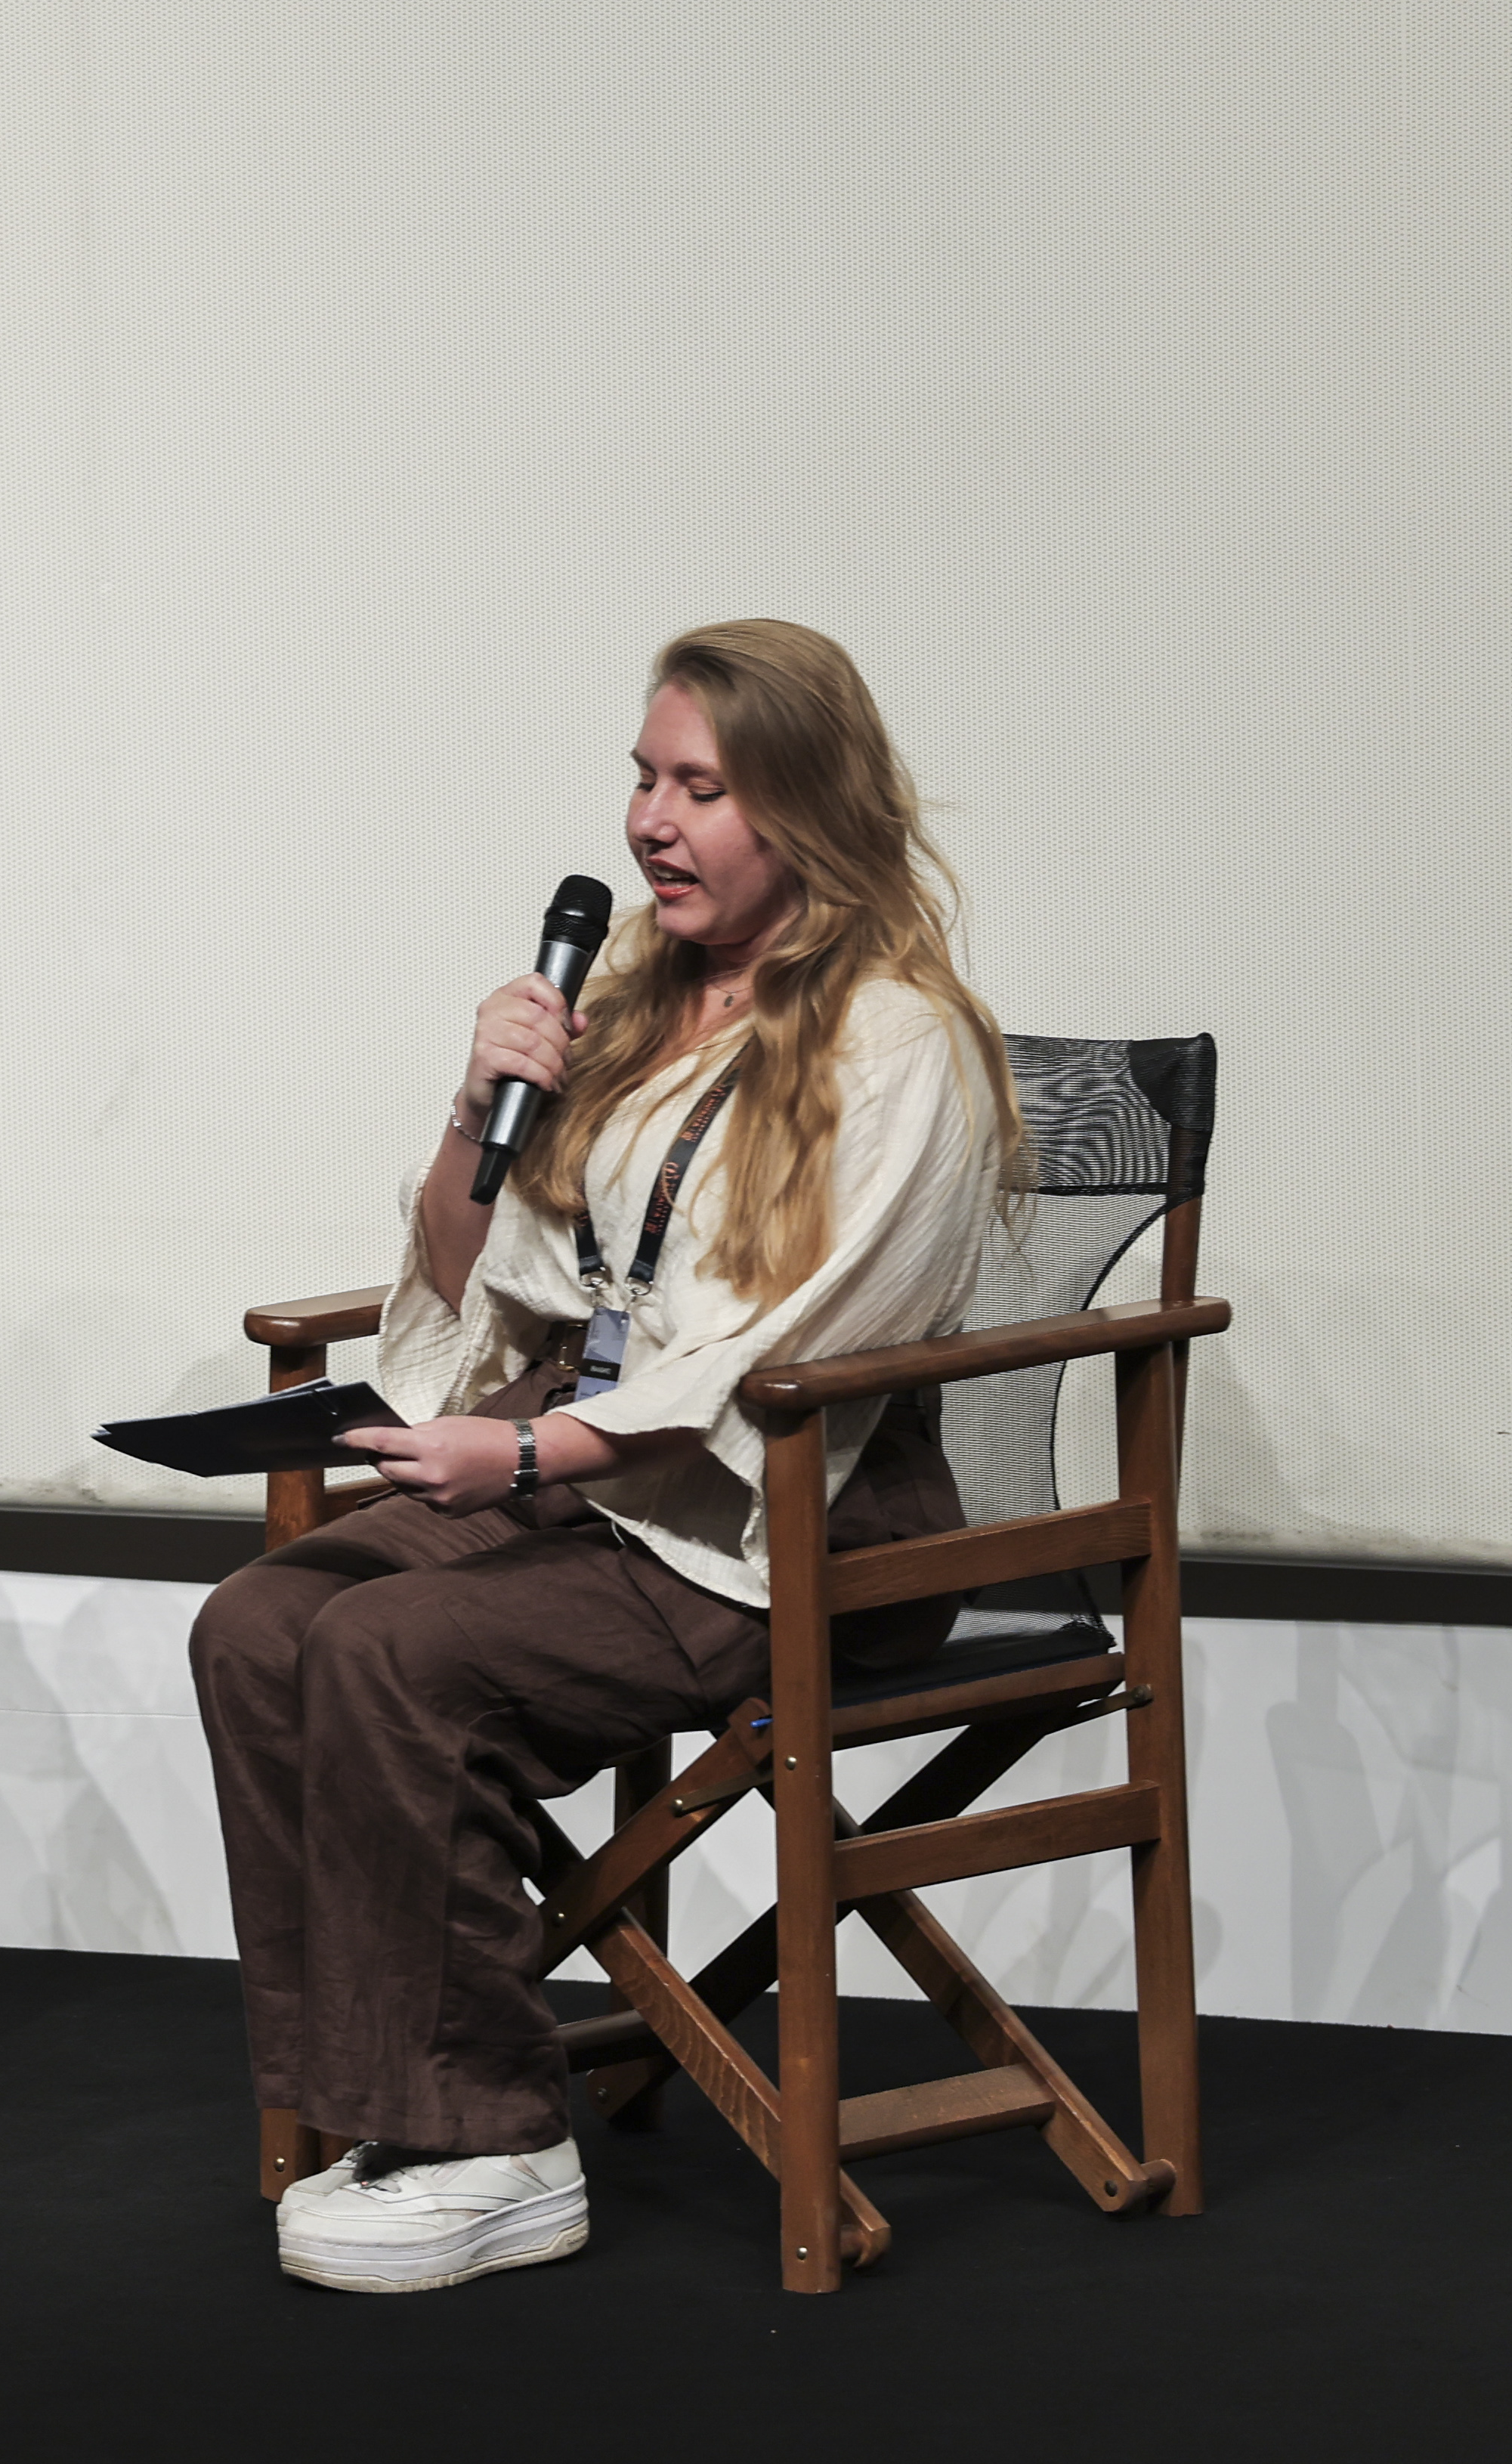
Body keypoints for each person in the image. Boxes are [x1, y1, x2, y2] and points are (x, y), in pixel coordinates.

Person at [187, 618, 1022, 2294]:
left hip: (785, 1512)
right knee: (260, 1624)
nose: (649, 822)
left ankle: (496, 2146)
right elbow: (484, 1275)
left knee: (395, 1654)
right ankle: (381, 2101)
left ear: (804, 806)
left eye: (699, 788)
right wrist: (473, 1104)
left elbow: (792, 1348)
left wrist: (530, 1451)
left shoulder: (898, 1043)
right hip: (587, 1471)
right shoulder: (631, 1005)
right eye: (643, 779)